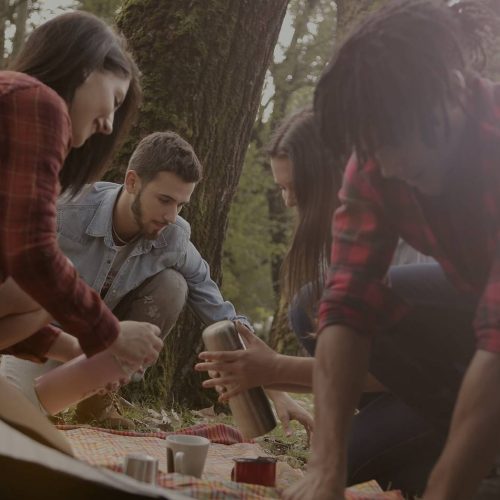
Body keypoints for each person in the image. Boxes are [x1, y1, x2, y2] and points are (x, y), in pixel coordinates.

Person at [282, 1, 500, 499]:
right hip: (476, 317)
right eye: (371, 147)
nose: (388, 165)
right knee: (317, 306)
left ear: (452, 90)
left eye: (396, 142)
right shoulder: (377, 162)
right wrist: (326, 468)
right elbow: (346, 303)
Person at [197, 108, 441, 495]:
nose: (290, 201)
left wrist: (275, 366)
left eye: (297, 187)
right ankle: (410, 459)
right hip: (406, 392)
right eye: (282, 188)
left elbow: (422, 371)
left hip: (451, 390)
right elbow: (361, 364)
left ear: (330, 177)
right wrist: (258, 373)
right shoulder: (336, 242)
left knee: (346, 460)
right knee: (308, 305)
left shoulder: (408, 235)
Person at [1, 131, 310, 432]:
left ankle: (99, 398)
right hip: (44, 341)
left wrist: (276, 391)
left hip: (106, 352)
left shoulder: (174, 238)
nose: (171, 215)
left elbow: (221, 313)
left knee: (173, 285)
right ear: (132, 181)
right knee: (12, 418)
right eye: (164, 200)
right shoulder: (63, 211)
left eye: (180, 204)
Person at [0, 11, 162, 386]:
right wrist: (112, 332)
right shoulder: (40, 101)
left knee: (47, 290)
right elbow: (33, 256)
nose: (108, 125)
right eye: (116, 99)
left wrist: (79, 349)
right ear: (88, 66)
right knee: (51, 281)